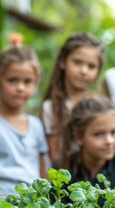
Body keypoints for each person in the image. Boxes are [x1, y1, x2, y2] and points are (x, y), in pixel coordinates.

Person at [0, 33, 48, 203]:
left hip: (30, 206)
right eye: (12, 80)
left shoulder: (36, 125)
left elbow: (42, 172)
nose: (20, 88)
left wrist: (43, 205)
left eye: (27, 82)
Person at [57, 93, 115, 208]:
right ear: (78, 137)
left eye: (114, 132)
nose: (109, 140)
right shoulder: (62, 167)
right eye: (98, 134)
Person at [41, 32, 105, 163]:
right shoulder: (51, 108)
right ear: (63, 62)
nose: (84, 71)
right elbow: (55, 156)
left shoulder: (101, 105)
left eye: (91, 66)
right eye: (77, 62)